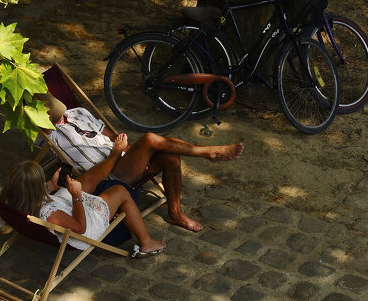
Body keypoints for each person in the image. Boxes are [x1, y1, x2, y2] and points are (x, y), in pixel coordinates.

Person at [42, 93, 244, 233]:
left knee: (170, 157)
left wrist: (135, 156)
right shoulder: (48, 134)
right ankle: (206, 151)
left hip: (124, 159)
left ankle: (175, 212)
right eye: (54, 116)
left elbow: (113, 135)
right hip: (108, 175)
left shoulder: (77, 112)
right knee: (149, 138)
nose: (59, 118)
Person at [0, 151, 167, 257]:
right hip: (84, 229)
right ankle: (146, 242)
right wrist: (77, 196)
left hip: (62, 208)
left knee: (87, 179)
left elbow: (34, 195)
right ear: (34, 188)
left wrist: (51, 186)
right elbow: (80, 228)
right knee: (120, 192)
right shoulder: (50, 214)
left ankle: (115, 155)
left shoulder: (9, 199)